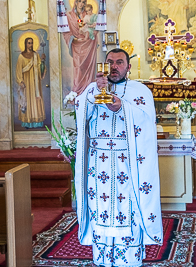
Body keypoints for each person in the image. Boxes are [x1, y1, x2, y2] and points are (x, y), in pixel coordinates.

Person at [74, 48, 163, 266]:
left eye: (119, 62)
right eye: (110, 62)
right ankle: (103, 258)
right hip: (99, 165)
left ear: (128, 67)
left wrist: (122, 107)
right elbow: (81, 115)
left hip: (128, 163)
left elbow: (146, 123)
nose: (114, 67)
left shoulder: (140, 91)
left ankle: (129, 260)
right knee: (100, 208)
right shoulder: (93, 89)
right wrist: (94, 92)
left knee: (128, 207)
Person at [63, 0, 98, 95]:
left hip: (89, 46)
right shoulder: (69, 16)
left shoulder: (87, 15)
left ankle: (88, 92)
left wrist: (90, 34)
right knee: (78, 68)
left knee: (88, 68)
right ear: (76, 2)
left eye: (83, 2)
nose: (82, 4)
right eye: (80, 2)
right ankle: (77, 93)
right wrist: (73, 39)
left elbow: (94, 30)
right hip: (77, 46)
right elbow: (66, 32)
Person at [15, 37, 46, 128]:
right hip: (26, 83)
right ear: (25, 44)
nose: (30, 45)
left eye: (32, 43)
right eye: (29, 43)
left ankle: (37, 122)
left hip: (36, 83)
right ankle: (27, 122)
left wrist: (43, 61)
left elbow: (41, 69)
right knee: (27, 101)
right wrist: (20, 81)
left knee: (36, 101)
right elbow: (18, 70)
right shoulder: (21, 56)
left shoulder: (36, 55)